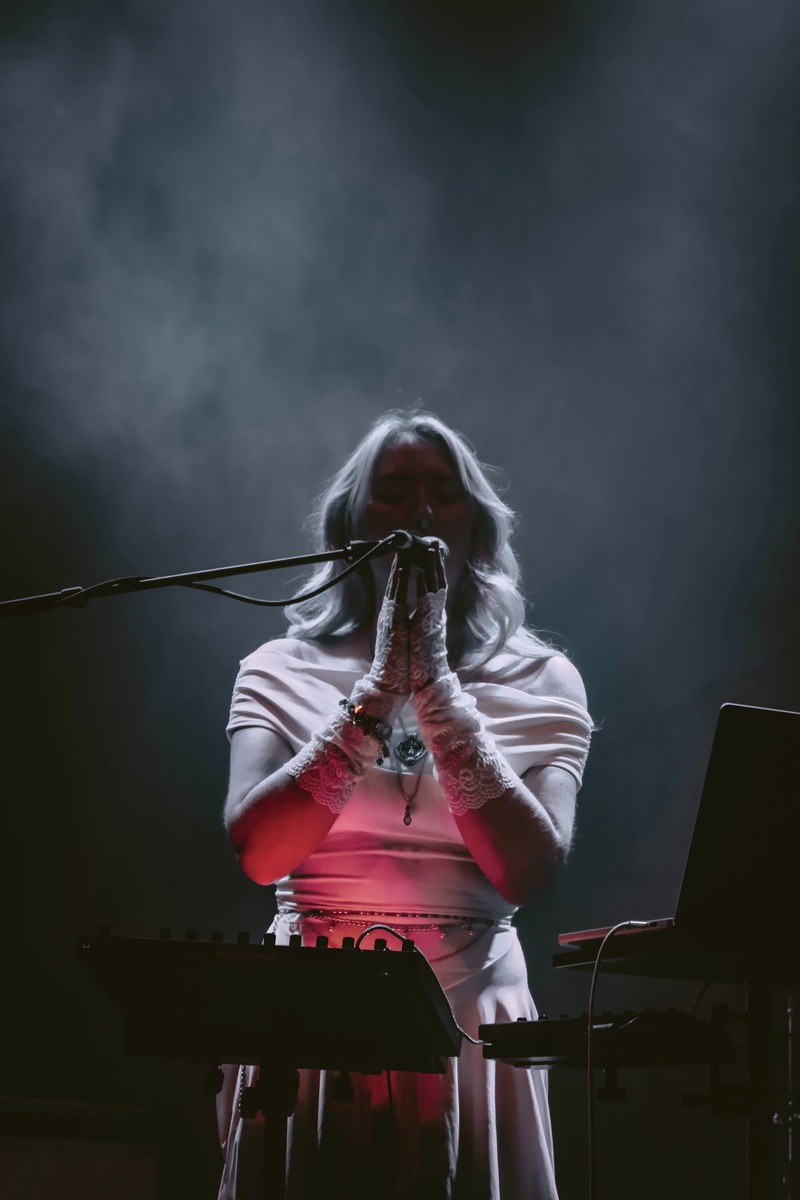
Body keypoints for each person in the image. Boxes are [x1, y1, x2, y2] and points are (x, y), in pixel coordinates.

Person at [217, 411, 592, 1200]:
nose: (421, 511)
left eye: (444, 493)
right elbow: (259, 853)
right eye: (393, 492)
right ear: (351, 525)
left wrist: (439, 697)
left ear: (476, 525)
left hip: (470, 1014)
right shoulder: (278, 667)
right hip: (311, 1012)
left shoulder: (544, 679)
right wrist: (378, 695)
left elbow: (528, 870)